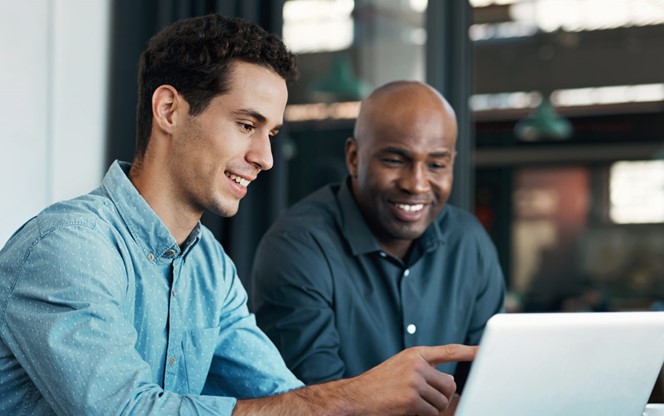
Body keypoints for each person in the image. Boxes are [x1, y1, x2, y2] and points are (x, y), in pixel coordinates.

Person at [0, 14, 476, 416]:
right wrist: (354, 395)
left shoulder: (209, 266)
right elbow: (130, 410)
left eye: (270, 133)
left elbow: (280, 397)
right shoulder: (67, 248)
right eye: (247, 125)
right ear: (169, 109)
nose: (265, 157)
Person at [252, 80, 505, 387]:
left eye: (436, 164)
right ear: (354, 158)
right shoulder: (297, 245)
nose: (417, 184)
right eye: (396, 160)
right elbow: (316, 399)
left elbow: (489, 383)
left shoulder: (468, 242)